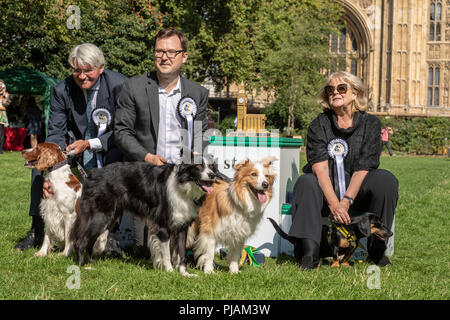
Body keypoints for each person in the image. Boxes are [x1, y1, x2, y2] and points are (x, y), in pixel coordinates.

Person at [15, 43, 127, 253]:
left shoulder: (120, 85)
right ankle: (38, 230)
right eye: (77, 70)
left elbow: (123, 129)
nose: (82, 76)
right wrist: (54, 167)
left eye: (88, 71)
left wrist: (91, 144)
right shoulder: (61, 89)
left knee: (117, 161)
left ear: (101, 67)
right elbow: (56, 131)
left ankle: (111, 235)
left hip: (109, 147)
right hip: (72, 151)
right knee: (39, 168)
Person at [288, 71, 398, 270]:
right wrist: (334, 204)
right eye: (330, 90)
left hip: (357, 190)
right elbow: (320, 169)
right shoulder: (318, 124)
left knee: (385, 180)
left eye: (341, 88)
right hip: (325, 191)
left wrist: (346, 201)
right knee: (306, 182)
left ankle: (376, 249)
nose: (335, 93)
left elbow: (363, 167)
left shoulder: (371, 124)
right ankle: (310, 253)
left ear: (355, 93)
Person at [114, 28, 209, 256]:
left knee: (182, 247)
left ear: (184, 56)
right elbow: (121, 132)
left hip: (181, 175)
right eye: (159, 51)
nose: (164, 57)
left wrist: (191, 165)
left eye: (171, 52)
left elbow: (198, 138)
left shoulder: (198, 93)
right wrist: (148, 157)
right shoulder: (133, 87)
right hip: (148, 175)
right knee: (144, 250)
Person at [0, 79, 10, 154]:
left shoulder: (5, 94)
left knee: (1, 132)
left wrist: (3, 94)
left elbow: (5, 103)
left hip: (1, 113)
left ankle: (0, 150)